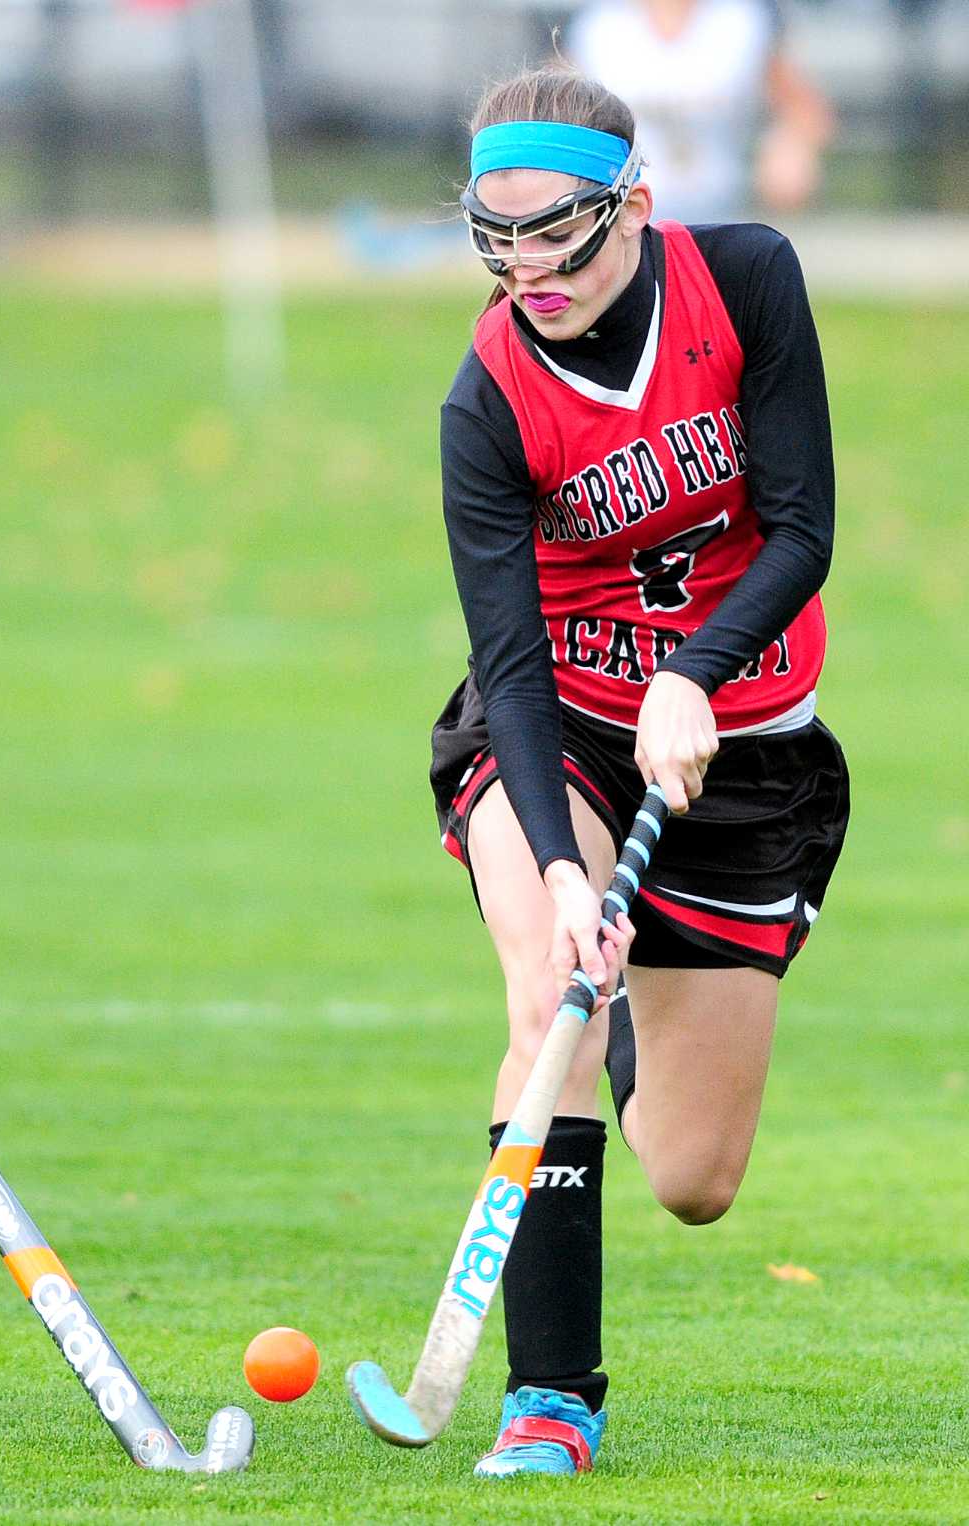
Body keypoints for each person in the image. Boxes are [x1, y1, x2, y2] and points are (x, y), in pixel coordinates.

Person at [430, 65, 849, 1476]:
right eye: (497, 237)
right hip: (559, 730)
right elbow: (508, 667)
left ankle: (624, 1008)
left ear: (636, 207)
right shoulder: (486, 399)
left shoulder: (746, 284)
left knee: (691, 1176)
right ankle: (549, 1398)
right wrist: (557, 864)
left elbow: (800, 529)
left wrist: (696, 670)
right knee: (547, 975)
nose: (527, 269)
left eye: (559, 234)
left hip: (744, 736)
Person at [567, 0, 836, 223]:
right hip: (623, 214)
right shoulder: (598, 25)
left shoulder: (742, 20)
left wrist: (792, 144)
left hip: (721, 212)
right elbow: (556, 109)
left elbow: (804, 109)